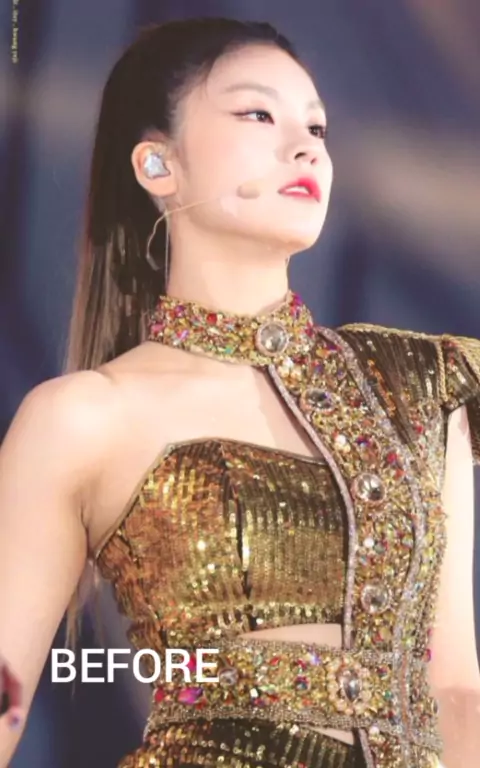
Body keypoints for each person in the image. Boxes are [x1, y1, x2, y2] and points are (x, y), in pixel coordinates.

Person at [1, 16, 479, 768]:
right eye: (258, 114)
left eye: (316, 127)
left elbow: (457, 691)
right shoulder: (82, 417)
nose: (306, 147)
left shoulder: (417, 383)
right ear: (158, 164)